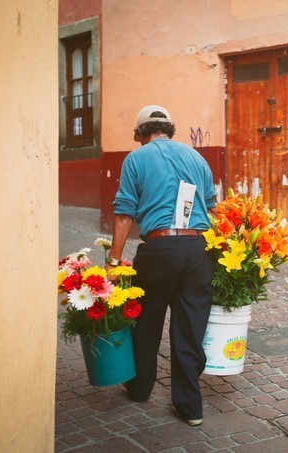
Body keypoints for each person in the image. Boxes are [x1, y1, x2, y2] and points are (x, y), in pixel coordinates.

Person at [106, 104, 217, 426]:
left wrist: (114, 261)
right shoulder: (197, 158)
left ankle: (140, 388)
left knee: (146, 321)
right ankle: (190, 407)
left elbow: (125, 212)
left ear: (140, 134)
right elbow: (211, 206)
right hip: (198, 249)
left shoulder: (136, 158)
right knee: (190, 328)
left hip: (159, 247)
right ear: (171, 129)